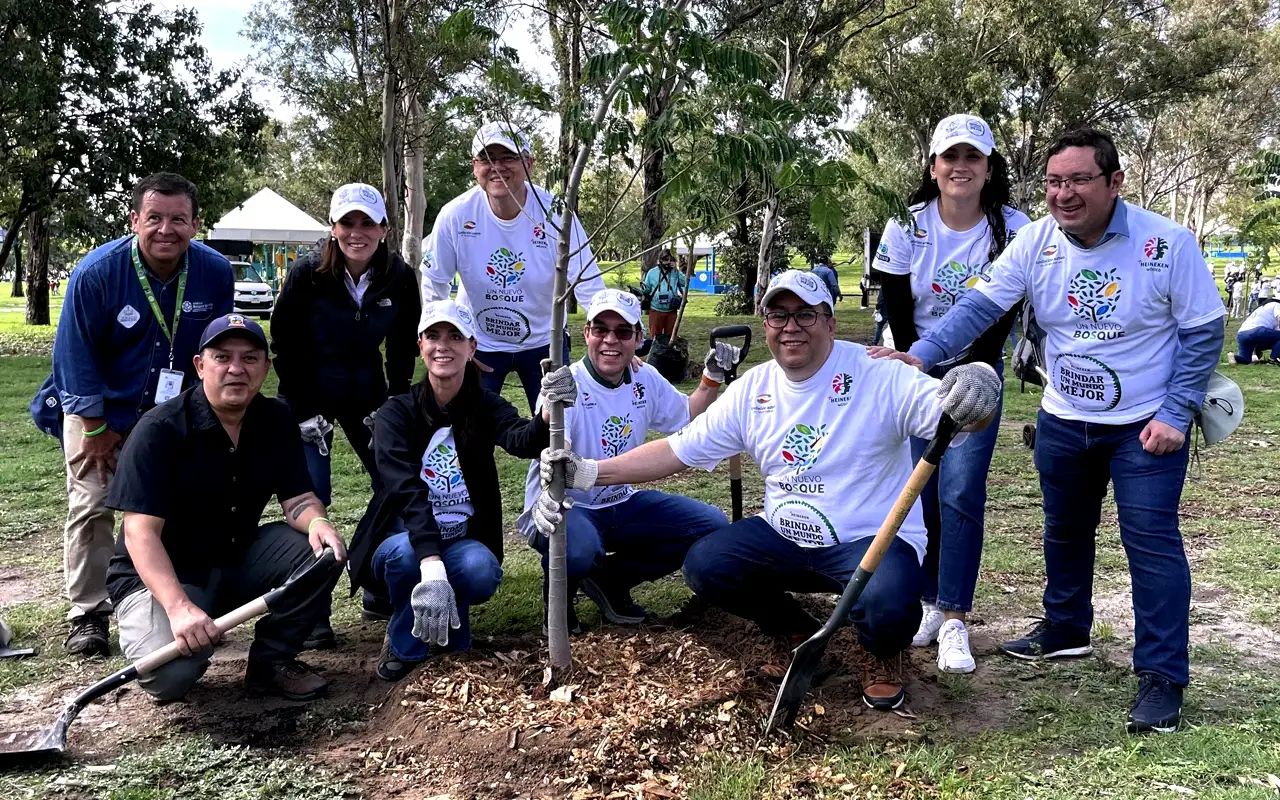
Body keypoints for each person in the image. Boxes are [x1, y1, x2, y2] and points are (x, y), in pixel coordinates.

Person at [882, 128, 1225, 734]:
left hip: (1144, 425)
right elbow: (980, 306)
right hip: (1065, 417)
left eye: (1078, 180)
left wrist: (1178, 413)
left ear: (1115, 182)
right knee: (1064, 531)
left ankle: (1162, 675)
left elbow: (1202, 330)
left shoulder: (1167, 244)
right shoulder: (1035, 242)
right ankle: (1067, 629)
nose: (1063, 195)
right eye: (1053, 182)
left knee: (1150, 542)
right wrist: (923, 351)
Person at [533, 270, 1001, 711]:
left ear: (831, 323)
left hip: (868, 542)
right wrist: (589, 472)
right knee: (707, 563)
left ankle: (880, 653)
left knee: (891, 602)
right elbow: (677, 450)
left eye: (805, 315)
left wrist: (978, 387)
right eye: (779, 315)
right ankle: (797, 631)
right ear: (766, 323)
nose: (790, 327)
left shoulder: (879, 374)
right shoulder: (754, 389)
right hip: (784, 535)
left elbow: (955, 414)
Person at [105, 314, 346, 702]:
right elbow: (140, 533)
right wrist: (179, 607)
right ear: (200, 366)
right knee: (170, 675)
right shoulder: (160, 429)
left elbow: (298, 498)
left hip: (235, 558)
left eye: (250, 359)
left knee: (322, 552)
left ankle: (272, 662)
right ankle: (160, 623)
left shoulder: (276, 419)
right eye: (222, 357)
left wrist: (317, 520)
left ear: (265, 369)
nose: (236, 369)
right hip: (165, 579)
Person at [46, 173, 233, 657]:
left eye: (178, 219)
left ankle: (169, 598)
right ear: (135, 220)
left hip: (175, 414)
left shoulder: (214, 273)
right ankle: (88, 613)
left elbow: (219, 349)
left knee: (174, 507)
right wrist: (95, 427)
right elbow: (73, 355)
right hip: (101, 412)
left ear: (195, 224)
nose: (166, 229)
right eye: (154, 218)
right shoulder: (97, 272)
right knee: (92, 506)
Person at [875, 113, 1032, 674]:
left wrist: (973, 371)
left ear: (989, 168)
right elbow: (896, 305)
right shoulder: (906, 225)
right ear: (934, 167)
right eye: (950, 157)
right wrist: (919, 365)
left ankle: (956, 616)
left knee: (961, 492)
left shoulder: (1015, 228)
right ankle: (926, 603)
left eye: (972, 157)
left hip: (977, 373)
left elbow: (1000, 308)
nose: (960, 167)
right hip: (913, 366)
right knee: (920, 491)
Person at [345, 299, 564, 682]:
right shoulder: (396, 413)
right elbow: (405, 491)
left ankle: (447, 625)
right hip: (404, 539)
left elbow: (522, 440)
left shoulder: (485, 405)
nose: (442, 346)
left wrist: (546, 412)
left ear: (472, 347)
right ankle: (403, 642)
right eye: (433, 336)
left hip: (462, 539)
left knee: (479, 570)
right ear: (420, 345)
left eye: (454, 336)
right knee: (403, 560)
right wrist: (430, 562)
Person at [518, 289, 733, 630]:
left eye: (622, 332)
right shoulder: (564, 383)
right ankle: (557, 599)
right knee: (579, 550)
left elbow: (687, 413)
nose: (610, 340)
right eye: (600, 329)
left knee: (710, 524)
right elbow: (559, 446)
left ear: (638, 338)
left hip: (620, 500)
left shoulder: (644, 379)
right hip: (565, 506)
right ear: (586, 333)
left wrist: (711, 378)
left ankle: (610, 581)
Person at [269, 183, 420, 643]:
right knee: (310, 498)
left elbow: (400, 347)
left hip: (369, 395)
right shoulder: (306, 274)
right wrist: (302, 411)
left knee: (394, 483)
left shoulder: (398, 275)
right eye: (347, 223)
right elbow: (284, 344)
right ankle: (311, 611)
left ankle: (378, 583)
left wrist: (393, 403)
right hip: (311, 395)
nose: (358, 233)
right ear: (333, 229)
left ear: (384, 229)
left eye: (367, 223)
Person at [421, 122, 607, 412]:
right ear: (474, 167)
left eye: (509, 158)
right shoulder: (455, 215)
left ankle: (551, 460)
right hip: (480, 344)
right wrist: (448, 340)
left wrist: (611, 336)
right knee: (468, 427)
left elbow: (587, 283)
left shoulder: (555, 214)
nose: (498, 167)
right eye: (487, 158)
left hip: (544, 342)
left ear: (529, 164)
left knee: (559, 426)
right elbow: (435, 283)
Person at [640, 253, 687, 338]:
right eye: (666, 260)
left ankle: (668, 351)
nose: (668, 262)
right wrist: (643, 288)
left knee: (670, 336)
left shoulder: (675, 272)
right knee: (655, 336)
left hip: (671, 310)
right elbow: (646, 289)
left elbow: (685, 282)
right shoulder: (652, 272)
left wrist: (676, 270)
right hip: (656, 309)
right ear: (660, 260)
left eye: (670, 260)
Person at [1229, 299, 1280, 365]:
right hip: (1257, 331)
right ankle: (1273, 359)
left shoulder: (1262, 308)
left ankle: (1233, 357)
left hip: (1242, 334)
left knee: (1246, 360)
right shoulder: (1277, 305)